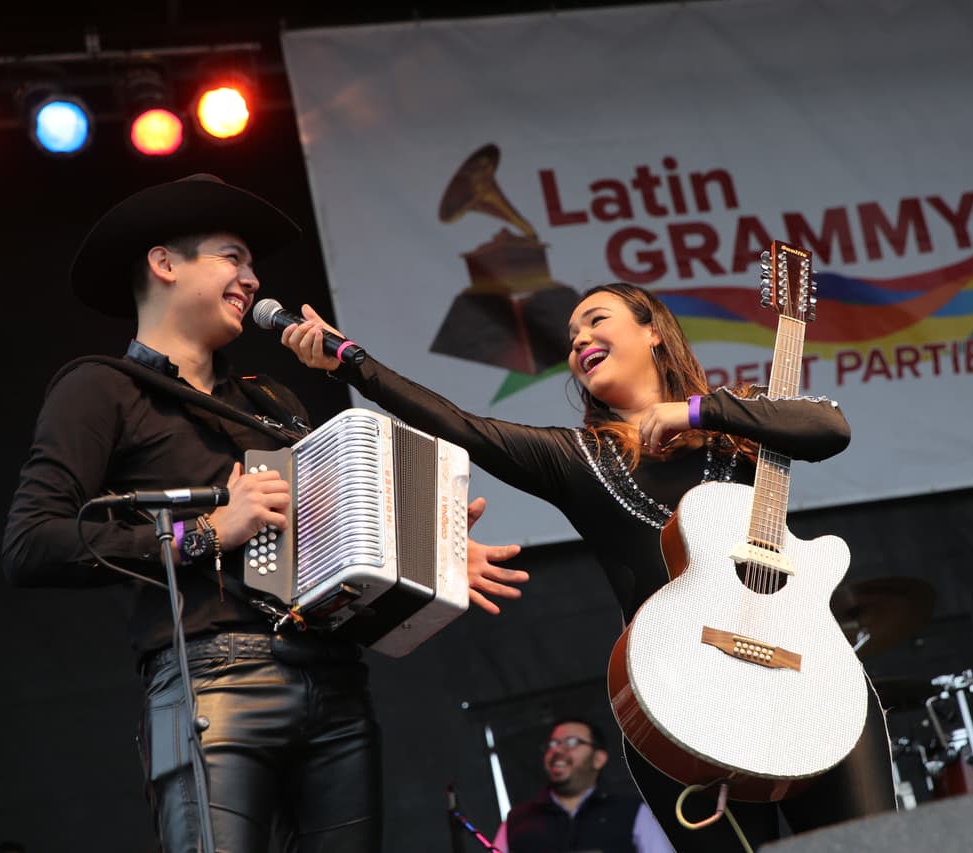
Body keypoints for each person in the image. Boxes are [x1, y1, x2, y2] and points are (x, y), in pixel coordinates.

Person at [1, 174, 527, 853]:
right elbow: (32, 542)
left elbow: (324, 546)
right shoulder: (100, 387)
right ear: (164, 264)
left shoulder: (271, 400)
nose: (252, 279)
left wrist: (427, 554)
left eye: (252, 264)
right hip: (212, 684)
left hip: (334, 683)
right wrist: (207, 533)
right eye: (233, 256)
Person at [280, 282, 897, 852]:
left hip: (813, 678)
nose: (577, 340)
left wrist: (698, 413)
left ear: (653, 330)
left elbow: (829, 428)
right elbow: (457, 424)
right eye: (571, 336)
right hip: (680, 702)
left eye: (595, 321)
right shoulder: (574, 458)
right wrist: (353, 362)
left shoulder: (736, 424)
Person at [492, 718, 673, 853]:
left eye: (572, 743)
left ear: (598, 759)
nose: (558, 750)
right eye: (553, 744)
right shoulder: (517, 820)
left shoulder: (632, 811)